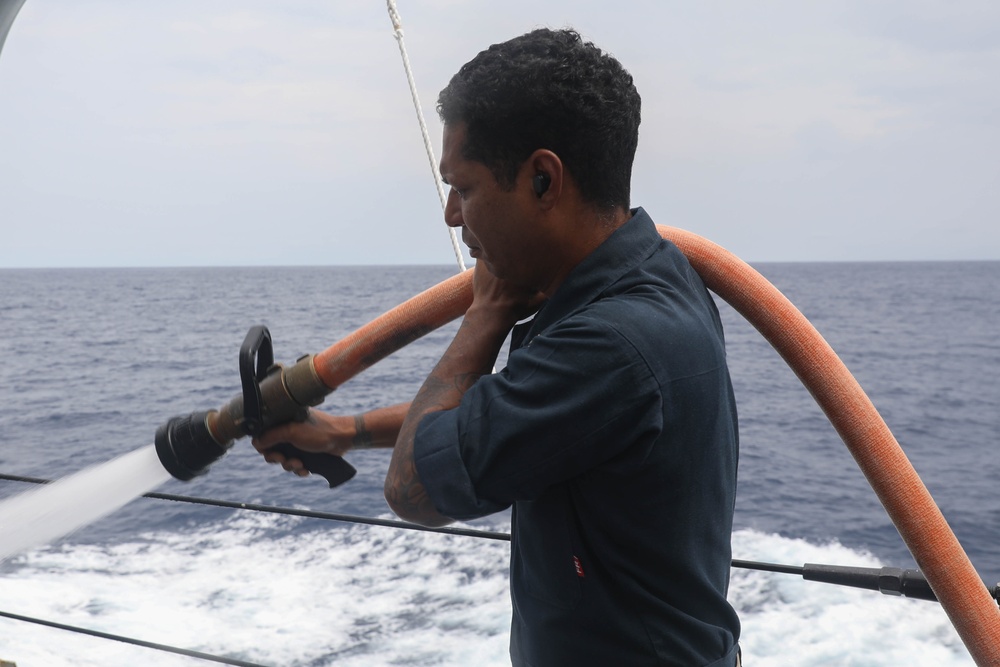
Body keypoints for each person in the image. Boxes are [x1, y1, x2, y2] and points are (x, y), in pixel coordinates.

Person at [253, 28, 741, 667]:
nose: (453, 215)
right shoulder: (655, 277)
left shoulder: (611, 343)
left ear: (543, 180)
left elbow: (416, 487)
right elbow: (527, 411)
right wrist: (340, 432)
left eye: (466, 187)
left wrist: (485, 316)